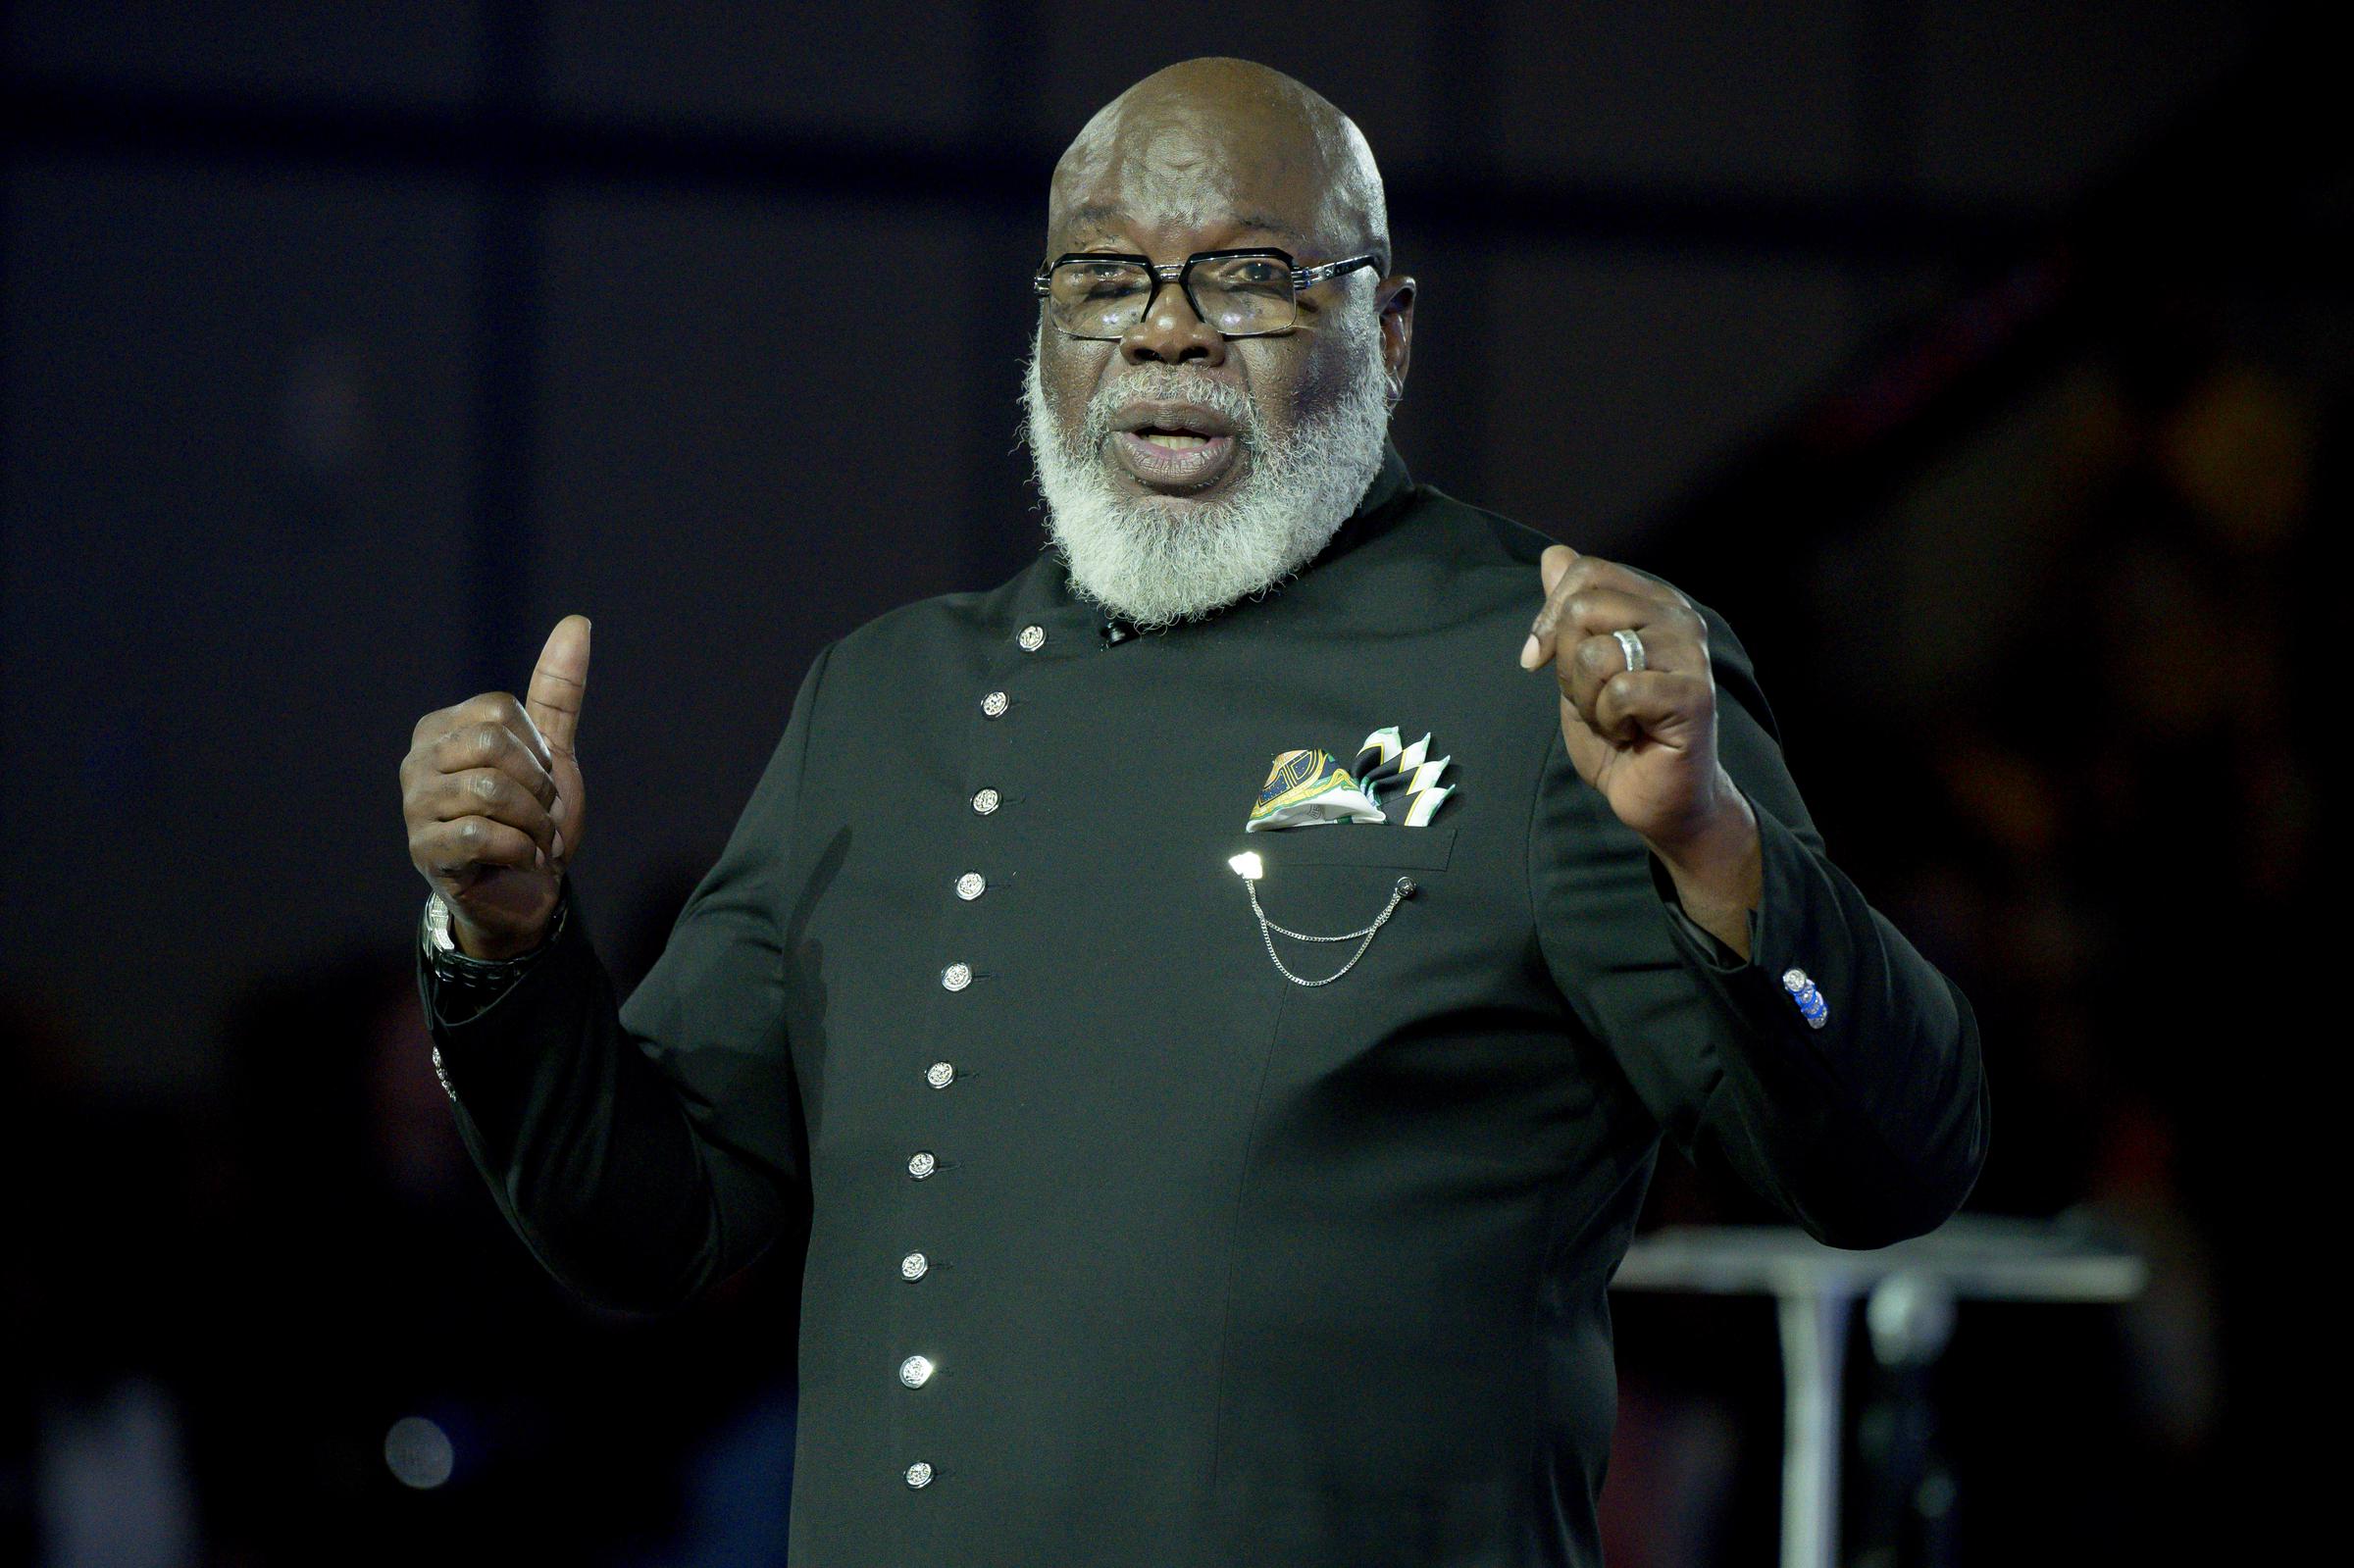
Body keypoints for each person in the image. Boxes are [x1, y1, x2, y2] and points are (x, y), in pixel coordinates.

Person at [397, 57, 1987, 1568]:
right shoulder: (887, 706)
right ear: (1042, 332)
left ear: (1396, 329)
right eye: (1103, 279)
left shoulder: (1545, 678)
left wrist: (1714, 844)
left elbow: (1895, 1164)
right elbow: (648, 1224)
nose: (1167, 335)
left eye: (1250, 276)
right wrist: (505, 939)